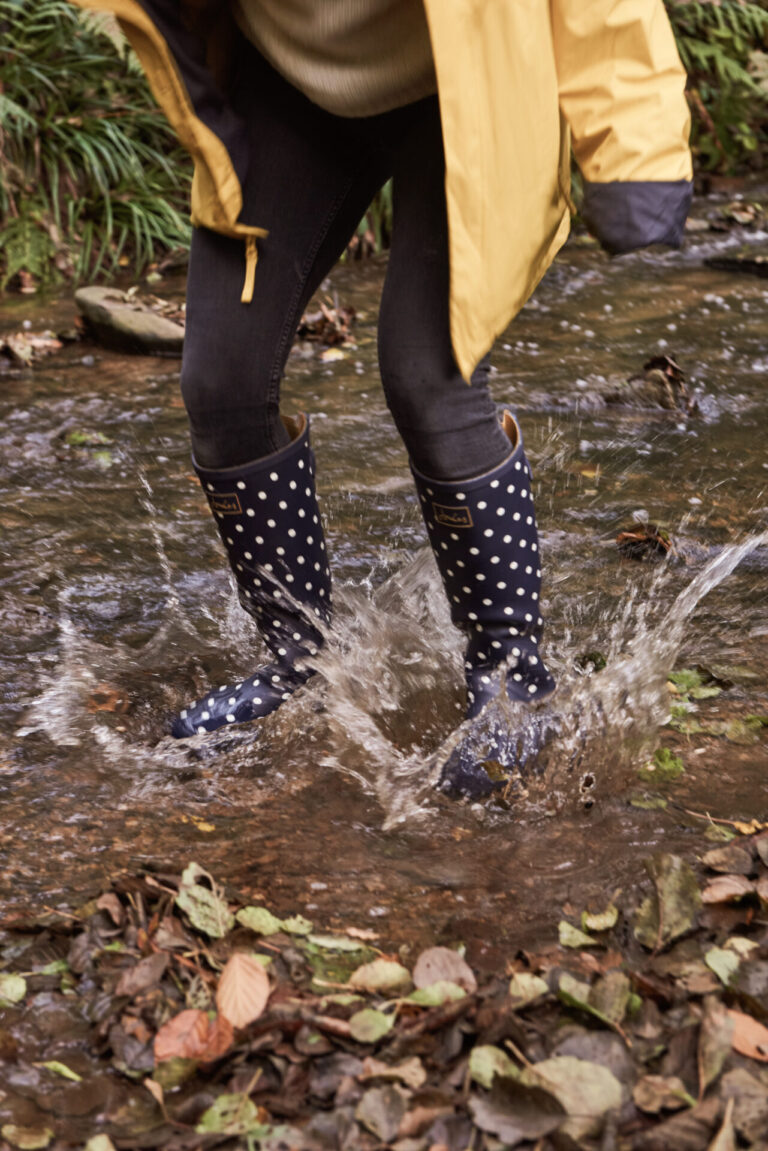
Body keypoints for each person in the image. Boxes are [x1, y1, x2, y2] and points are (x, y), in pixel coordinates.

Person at [69, 0, 692, 795]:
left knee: (429, 376)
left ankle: (514, 683)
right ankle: (298, 660)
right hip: (291, 87)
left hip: (471, 93)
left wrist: (637, 151)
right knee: (221, 383)